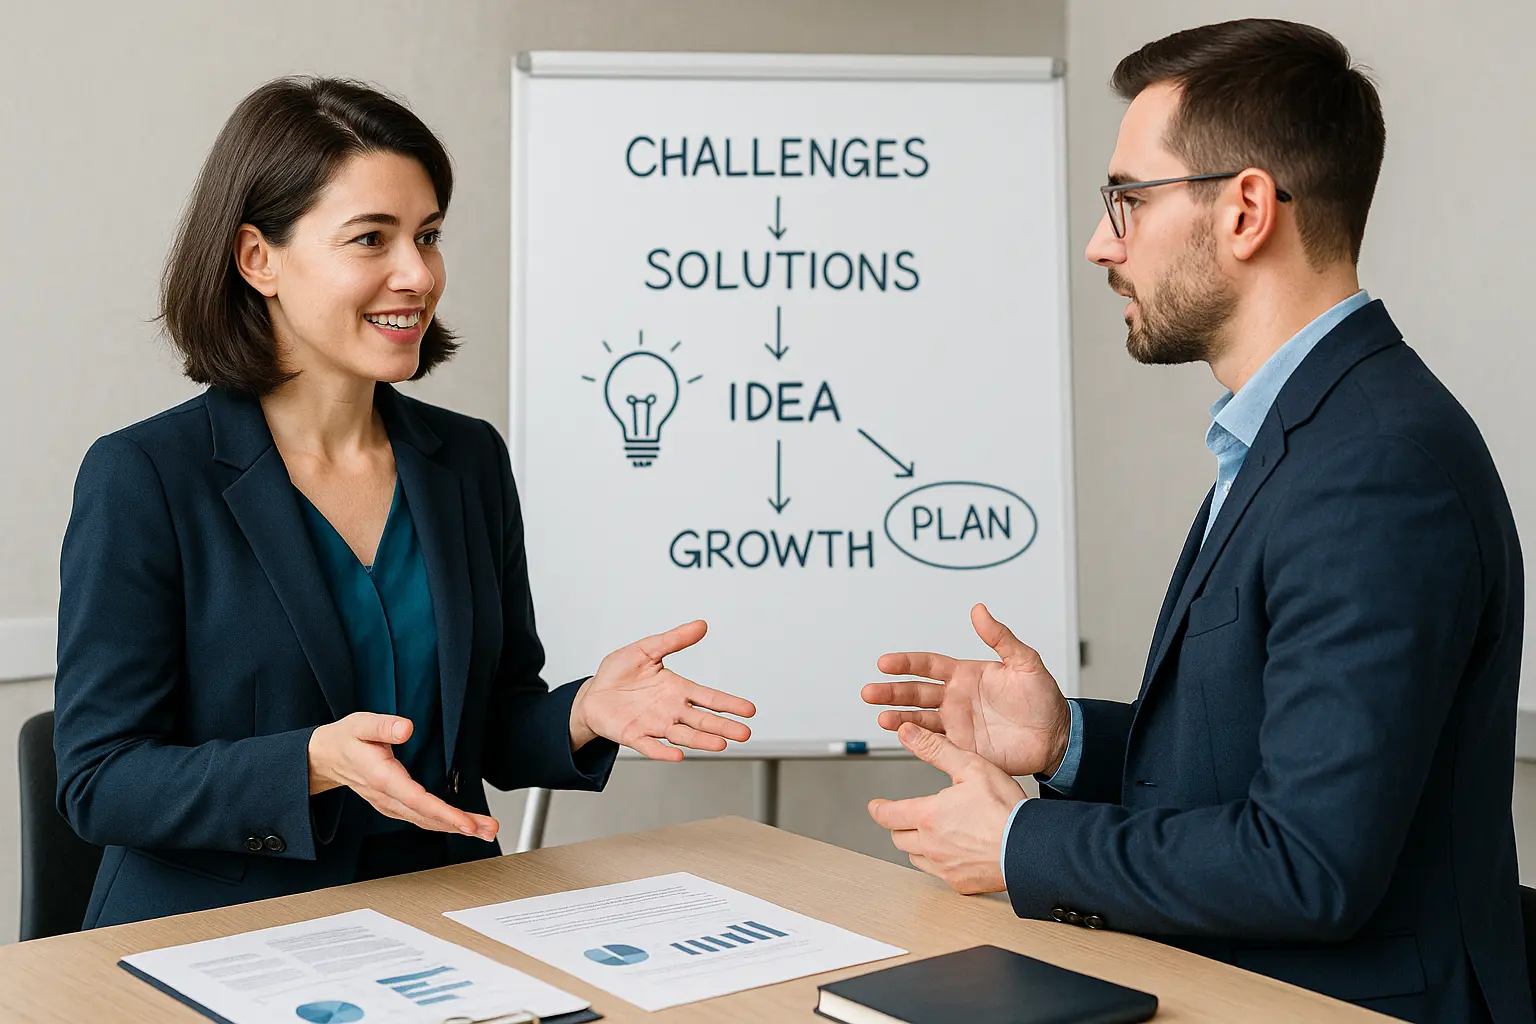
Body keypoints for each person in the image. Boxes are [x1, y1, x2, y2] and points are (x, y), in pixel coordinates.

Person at [862, 19, 1527, 1024]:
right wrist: (1067, 743)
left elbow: (1306, 862)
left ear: (1247, 209)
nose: (1100, 243)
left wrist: (1016, 845)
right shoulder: (1308, 431)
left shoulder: (1379, 470)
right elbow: (1269, 760)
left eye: (1126, 201)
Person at [53, 77, 755, 928]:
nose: (417, 274)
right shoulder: (145, 477)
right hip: (222, 932)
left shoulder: (465, 460)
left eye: (426, 236)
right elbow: (99, 781)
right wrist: (313, 761)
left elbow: (489, 725)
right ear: (257, 259)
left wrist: (581, 711)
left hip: (445, 914)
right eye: (371, 239)